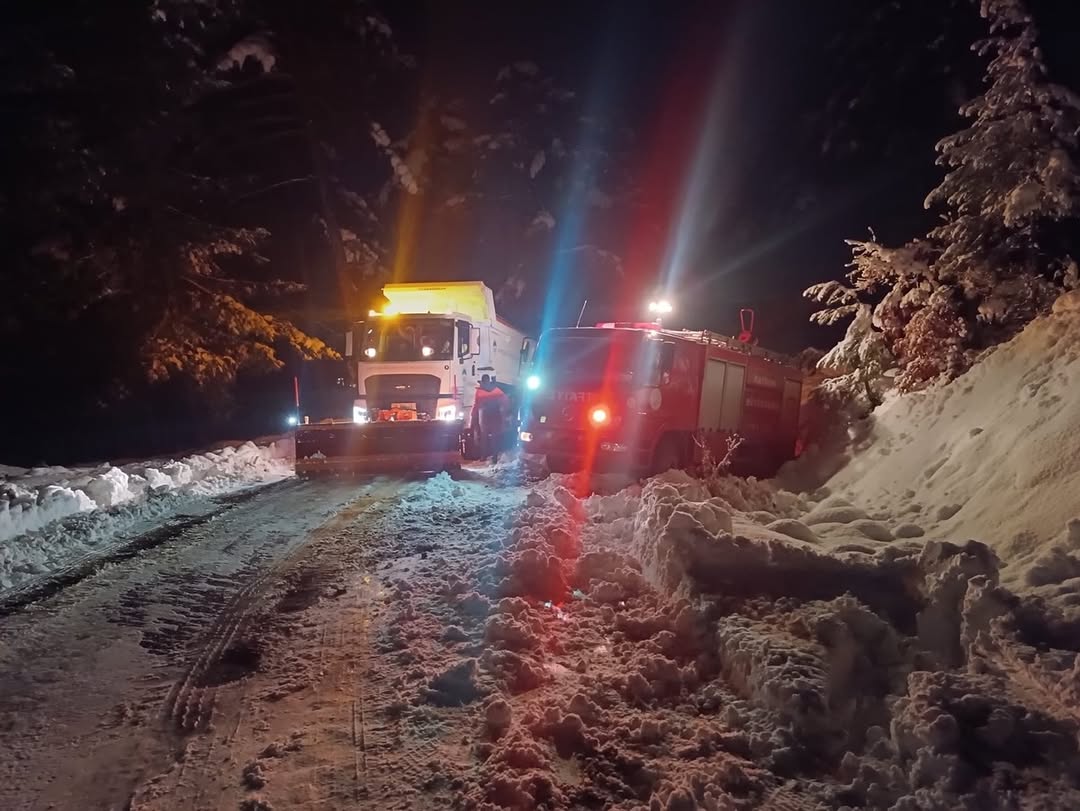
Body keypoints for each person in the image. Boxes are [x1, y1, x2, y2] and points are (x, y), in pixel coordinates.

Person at [474, 374, 510, 463]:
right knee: (495, 438)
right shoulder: (497, 390)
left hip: (485, 417)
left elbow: (476, 405)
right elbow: (505, 402)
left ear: (483, 382)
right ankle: (494, 457)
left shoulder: (479, 392)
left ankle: (484, 456)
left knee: (484, 438)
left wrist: (473, 415)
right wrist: (505, 414)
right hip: (496, 416)